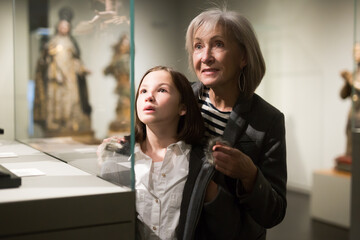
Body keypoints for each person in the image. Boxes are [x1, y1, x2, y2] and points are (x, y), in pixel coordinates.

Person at [181, 7, 287, 239]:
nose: (205, 56)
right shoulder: (181, 99)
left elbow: (274, 212)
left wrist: (250, 175)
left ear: (243, 57)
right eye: (198, 46)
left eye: (218, 44)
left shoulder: (268, 120)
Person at [33, 7, 92, 136]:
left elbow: (76, 60)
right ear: (58, 26)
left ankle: (70, 123)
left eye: (66, 26)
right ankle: (55, 125)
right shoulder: (52, 42)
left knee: (71, 100)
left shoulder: (71, 43)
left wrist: (82, 69)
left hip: (70, 77)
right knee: (56, 100)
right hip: (55, 77)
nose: (64, 28)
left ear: (69, 28)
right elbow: (45, 60)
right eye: (62, 26)